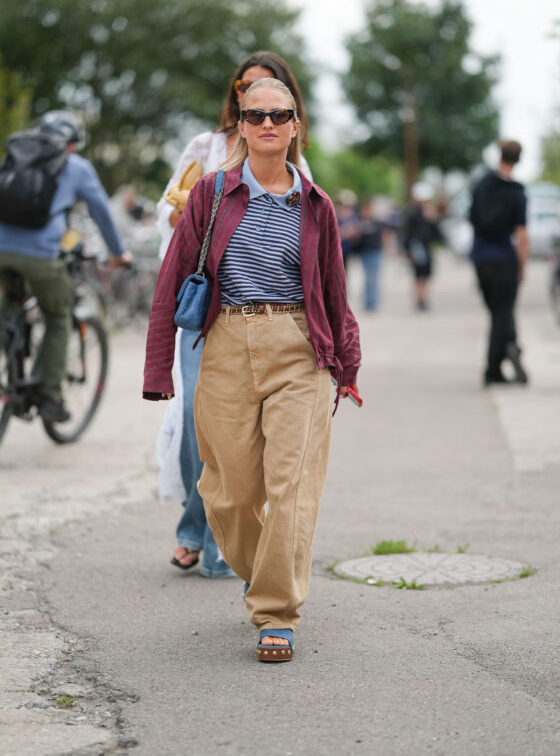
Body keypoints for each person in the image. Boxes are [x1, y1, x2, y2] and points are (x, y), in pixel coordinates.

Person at [144, 77, 361, 661]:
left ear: (296, 126)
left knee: (291, 486)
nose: (268, 123)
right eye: (255, 115)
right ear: (240, 125)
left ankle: (276, 612)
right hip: (225, 345)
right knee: (229, 493)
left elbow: (335, 290)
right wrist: (158, 369)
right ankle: (265, 572)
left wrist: (348, 364)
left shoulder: (316, 205)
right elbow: (171, 281)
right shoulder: (212, 194)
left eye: (279, 114)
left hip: (299, 347)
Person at [155, 52, 312, 578]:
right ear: (237, 96)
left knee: (254, 446)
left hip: (275, 323)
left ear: (291, 111)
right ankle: (195, 528)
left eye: (276, 104)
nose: (264, 115)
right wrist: (188, 206)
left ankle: (226, 545)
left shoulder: (296, 162)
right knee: (197, 423)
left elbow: (314, 242)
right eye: (249, 94)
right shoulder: (205, 148)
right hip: (208, 310)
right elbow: (166, 212)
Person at [0, 111, 131, 423]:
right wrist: (118, 254)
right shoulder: (77, 167)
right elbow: (101, 212)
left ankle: (9, 339)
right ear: (72, 144)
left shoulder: (17, 157)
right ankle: (50, 396)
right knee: (58, 316)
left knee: (10, 304)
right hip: (40, 255)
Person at [469, 139, 529, 385]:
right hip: (505, 258)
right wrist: (523, 266)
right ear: (518, 160)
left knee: (497, 311)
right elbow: (522, 235)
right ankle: (493, 369)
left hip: (481, 258)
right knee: (503, 313)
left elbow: (471, 218)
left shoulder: (481, 185)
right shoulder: (517, 191)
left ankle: (510, 346)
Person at [402, 181, 440, 311]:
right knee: (418, 275)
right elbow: (407, 232)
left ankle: (424, 298)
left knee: (426, 275)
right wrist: (406, 249)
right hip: (416, 247)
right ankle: (419, 299)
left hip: (427, 247)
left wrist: (433, 219)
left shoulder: (429, 212)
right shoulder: (412, 212)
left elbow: (437, 233)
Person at [356, 199, 385, 310]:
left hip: (375, 251)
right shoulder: (360, 222)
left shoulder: (376, 222)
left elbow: (384, 235)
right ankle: (368, 301)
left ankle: (372, 301)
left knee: (373, 277)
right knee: (368, 277)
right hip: (364, 251)